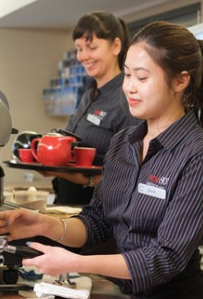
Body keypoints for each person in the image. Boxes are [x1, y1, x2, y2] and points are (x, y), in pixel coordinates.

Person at [0, 21, 203, 299]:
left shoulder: (199, 157)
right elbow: (99, 222)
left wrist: (74, 263)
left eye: (142, 77)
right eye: (129, 75)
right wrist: (43, 225)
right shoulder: (124, 143)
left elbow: (163, 259)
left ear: (181, 81)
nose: (129, 87)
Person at [41, 11, 140, 205]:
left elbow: (130, 172)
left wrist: (86, 179)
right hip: (68, 203)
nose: (84, 56)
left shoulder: (126, 98)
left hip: (99, 210)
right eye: (79, 49)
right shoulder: (89, 94)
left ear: (116, 46)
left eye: (92, 47)